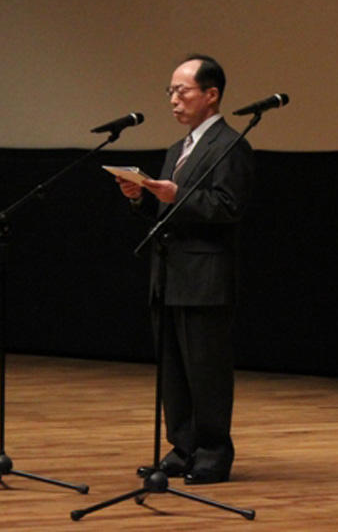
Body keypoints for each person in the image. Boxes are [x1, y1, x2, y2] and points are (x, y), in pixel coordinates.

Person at [113, 54, 254, 485]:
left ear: (211, 95)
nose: (173, 100)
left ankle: (213, 451)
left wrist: (176, 196)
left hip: (204, 277)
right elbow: (166, 215)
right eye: (170, 92)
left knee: (205, 367)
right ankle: (184, 445)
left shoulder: (230, 144)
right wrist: (141, 199)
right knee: (173, 368)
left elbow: (228, 207)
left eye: (182, 91)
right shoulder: (178, 148)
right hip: (169, 274)